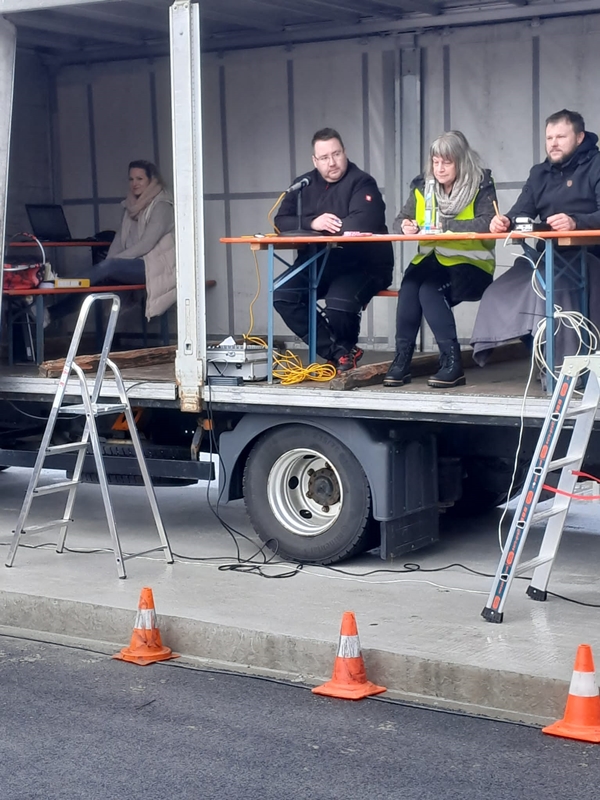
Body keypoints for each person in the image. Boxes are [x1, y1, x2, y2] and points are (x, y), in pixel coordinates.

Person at [471, 109, 600, 369]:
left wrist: (575, 222)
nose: (553, 143)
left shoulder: (596, 165)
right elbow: (521, 212)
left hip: (589, 256)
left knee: (550, 292)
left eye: (561, 137)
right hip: (545, 257)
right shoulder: (540, 173)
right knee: (497, 293)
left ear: (579, 137)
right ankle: (541, 358)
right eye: (549, 138)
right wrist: (504, 221)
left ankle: (563, 368)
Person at [273, 128, 394, 372]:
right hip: (317, 263)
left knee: (339, 303)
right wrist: (313, 223)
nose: (332, 162)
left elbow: (364, 222)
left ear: (344, 152)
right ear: (314, 161)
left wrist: (323, 228)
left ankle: (343, 352)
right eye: (324, 157)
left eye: (336, 154)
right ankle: (339, 352)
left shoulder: (362, 182)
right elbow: (280, 221)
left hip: (363, 265)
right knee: (281, 294)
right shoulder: (303, 185)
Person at [383, 131, 496, 389]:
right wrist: (406, 226)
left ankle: (452, 363)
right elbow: (400, 220)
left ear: (461, 162)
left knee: (429, 290)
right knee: (409, 288)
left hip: (471, 265)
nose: (440, 168)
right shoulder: (423, 186)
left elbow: (488, 222)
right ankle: (401, 361)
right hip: (431, 261)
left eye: (447, 162)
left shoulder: (481, 184)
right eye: (435, 162)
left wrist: (446, 226)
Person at [49, 160, 176, 325]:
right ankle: (49, 314)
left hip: (157, 268)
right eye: (131, 179)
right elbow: (118, 240)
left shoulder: (162, 206)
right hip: (134, 263)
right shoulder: (130, 206)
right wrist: (107, 264)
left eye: (140, 179)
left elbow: (146, 244)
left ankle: (64, 283)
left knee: (108, 268)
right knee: (98, 280)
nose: (134, 183)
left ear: (152, 180)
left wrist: (111, 263)